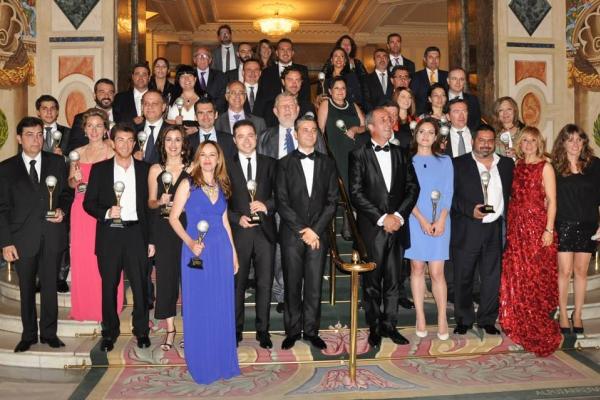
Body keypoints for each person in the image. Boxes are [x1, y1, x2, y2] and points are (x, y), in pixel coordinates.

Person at [168, 140, 240, 384]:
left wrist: (233, 253)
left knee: (221, 303)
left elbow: (225, 222)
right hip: (196, 251)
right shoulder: (187, 184)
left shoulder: (221, 184)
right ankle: (202, 362)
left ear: (219, 159)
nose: (208, 159)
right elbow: (174, 218)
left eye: (213, 155)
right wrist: (190, 243)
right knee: (199, 304)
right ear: (197, 159)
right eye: (204, 155)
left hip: (220, 250)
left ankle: (222, 360)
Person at [0, 117, 73, 352]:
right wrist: (6, 242)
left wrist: (62, 209)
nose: (36, 139)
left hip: (52, 234)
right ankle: (29, 334)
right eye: (30, 135)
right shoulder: (6, 168)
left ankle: (49, 333)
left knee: (51, 286)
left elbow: (65, 194)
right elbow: (2, 208)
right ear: (20, 139)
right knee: (27, 288)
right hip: (22, 239)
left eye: (40, 134)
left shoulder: (57, 162)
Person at [349, 108, 420, 348]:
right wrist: (382, 218)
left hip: (398, 226)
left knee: (394, 280)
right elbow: (356, 193)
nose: (389, 122)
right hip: (372, 228)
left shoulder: (402, 153)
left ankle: (390, 325)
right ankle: (374, 327)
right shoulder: (358, 154)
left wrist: (398, 216)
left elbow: (413, 188)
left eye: (390, 119)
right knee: (372, 282)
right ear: (370, 127)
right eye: (383, 120)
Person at [83, 123, 154, 352]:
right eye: (120, 140)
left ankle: (141, 330)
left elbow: (151, 209)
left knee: (141, 285)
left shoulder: (146, 169)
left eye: (129, 140)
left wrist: (152, 240)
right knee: (109, 286)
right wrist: (105, 212)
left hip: (136, 234)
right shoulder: (100, 169)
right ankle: (109, 332)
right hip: (110, 235)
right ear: (112, 143)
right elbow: (88, 203)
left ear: (135, 143)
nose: (125, 144)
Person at [276, 115, 339, 350]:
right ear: (295, 133)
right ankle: (292, 331)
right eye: (305, 129)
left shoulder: (328, 163)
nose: (310, 134)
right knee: (292, 284)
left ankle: (311, 331)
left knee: (313, 285)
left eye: (314, 130)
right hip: (293, 234)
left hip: (318, 234)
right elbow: (282, 203)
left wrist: (316, 230)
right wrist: (304, 231)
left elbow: (332, 202)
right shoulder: (282, 164)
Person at [499, 126, 561, 356]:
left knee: (534, 278)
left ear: (539, 143)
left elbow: (552, 201)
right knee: (518, 277)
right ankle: (519, 324)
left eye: (532, 140)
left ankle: (535, 325)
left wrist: (548, 230)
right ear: (519, 143)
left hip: (537, 229)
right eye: (524, 140)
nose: (528, 144)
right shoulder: (517, 165)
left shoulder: (546, 167)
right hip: (516, 229)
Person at [451, 124, 514, 335]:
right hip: (468, 227)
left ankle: (487, 319)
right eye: (481, 140)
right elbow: (449, 198)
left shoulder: (505, 164)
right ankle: (464, 319)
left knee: (492, 277)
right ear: (473, 141)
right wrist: (470, 210)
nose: (486, 144)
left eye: (489, 140)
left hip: (495, 228)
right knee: (464, 275)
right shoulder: (457, 164)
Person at [68, 109, 123, 322]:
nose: (94, 130)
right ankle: (84, 308)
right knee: (82, 258)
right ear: (84, 129)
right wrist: (75, 179)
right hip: (80, 211)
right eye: (90, 126)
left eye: (98, 125)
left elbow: (119, 182)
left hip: (103, 210)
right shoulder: (77, 153)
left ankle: (107, 309)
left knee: (105, 258)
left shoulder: (112, 152)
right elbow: (71, 184)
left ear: (105, 128)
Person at [227, 120, 277, 348]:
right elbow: (218, 202)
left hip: (265, 232)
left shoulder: (270, 164)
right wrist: (237, 218)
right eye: (241, 136)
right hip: (239, 233)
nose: (246, 140)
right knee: (237, 284)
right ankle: (235, 330)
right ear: (234, 140)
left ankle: (263, 330)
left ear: (256, 138)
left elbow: (281, 196)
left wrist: (266, 205)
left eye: (250, 135)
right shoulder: (225, 166)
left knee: (265, 282)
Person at [404, 118, 453, 340]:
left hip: (441, 220)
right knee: (416, 268)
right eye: (421, 131)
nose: (425, 136)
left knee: (436, 272)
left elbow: (448, 192)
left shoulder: (445, 161)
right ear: (416, 134)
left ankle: (442, 317)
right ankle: (421, 316)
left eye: (430, 132)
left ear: (436, 137)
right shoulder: (407, 161)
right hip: (416, 219)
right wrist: (422, 220)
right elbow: (405, 194)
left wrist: (441, 219)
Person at [551, 124, 600, 335]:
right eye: (570, 139)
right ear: (563, 142)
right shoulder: (553, 166)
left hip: (588, 224)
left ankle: (577, 314)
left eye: (579, 139)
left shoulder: (595, 165)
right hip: (563, 224)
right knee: (564, 272)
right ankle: (563, 313)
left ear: (584, 143)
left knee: (581, 272)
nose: (575, 144)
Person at [147, 125, 191, 351]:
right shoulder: (156, 169)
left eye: (177, 140)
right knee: (165, 281)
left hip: (187, 230)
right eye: (169, 140)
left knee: (190, 282)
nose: (173, 145)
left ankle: (189, 329)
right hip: (164, 231)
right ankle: (170, 330)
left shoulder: (193, 168)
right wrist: (160, 201)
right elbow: (150, 203)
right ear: (162, 144)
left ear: (184, 143)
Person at [317, 76, 366, 186]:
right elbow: (320, 131)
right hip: (338, 153)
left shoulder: (353, 105)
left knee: (361, 184)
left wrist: (355, 129)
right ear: (330, 91)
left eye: (343, 88)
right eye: (336, 88)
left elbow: (365, 126)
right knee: (346, 184)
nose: (340, 91)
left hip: (358, 151)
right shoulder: (326, 104)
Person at [67, 78, 116, 152]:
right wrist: (102, 143)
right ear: (94, 95)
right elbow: (74, 145)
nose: (106, 95)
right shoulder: (81, 118)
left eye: (110, 92)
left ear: (114, 95)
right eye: (102, 92)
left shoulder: (123, 117)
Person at [258, 38, 310, 104]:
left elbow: (306, 95)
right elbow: (264, 97)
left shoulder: (303, 70)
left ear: (292, 53)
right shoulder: (266, 72)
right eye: (282, 49)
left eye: (288, 49)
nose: (285, 53)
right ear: (277, 53)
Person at [135, 90, 171, 164]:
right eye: (146, 103)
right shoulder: (133, 130)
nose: (150, 107)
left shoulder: (172, 131)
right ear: (142, 107)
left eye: (154, 103)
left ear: (163, 107)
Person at [410, 46, 449, 116]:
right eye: (431, 57)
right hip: (421, 117)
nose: (434, 60)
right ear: (425, 59)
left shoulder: (447, 76)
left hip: (443, 116)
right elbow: (412, 98)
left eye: (437, 57)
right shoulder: (415, 76)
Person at [166, 65, 201, 135]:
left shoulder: (204, 97)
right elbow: (162, 119)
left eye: (190, 75)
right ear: (178, 80)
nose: (186, 79)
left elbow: (212, 121)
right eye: (182, 76)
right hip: (174, 137)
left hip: (199, 138)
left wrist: (198, 128)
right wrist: (175, 123)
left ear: (195, 78)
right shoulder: (170, 97)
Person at [192, 46, 228, 113]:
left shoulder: (221, 76)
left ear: (210, 60)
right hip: (194, 114)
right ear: (194, 60)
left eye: (205, 56)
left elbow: (222, 99)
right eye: (199, 56)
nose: (202, 59)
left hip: (216, 115)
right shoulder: (189, 76)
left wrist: (210, 112)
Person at [363, 49, 393, 113]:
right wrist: (375, 115)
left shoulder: (395, 77)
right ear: (374, 60)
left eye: (384, 56)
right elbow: (366, 101)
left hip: (393, 115)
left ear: (388, 60)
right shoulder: (366, 79)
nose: (382, 59)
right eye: (378, 57)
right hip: (374, 117)